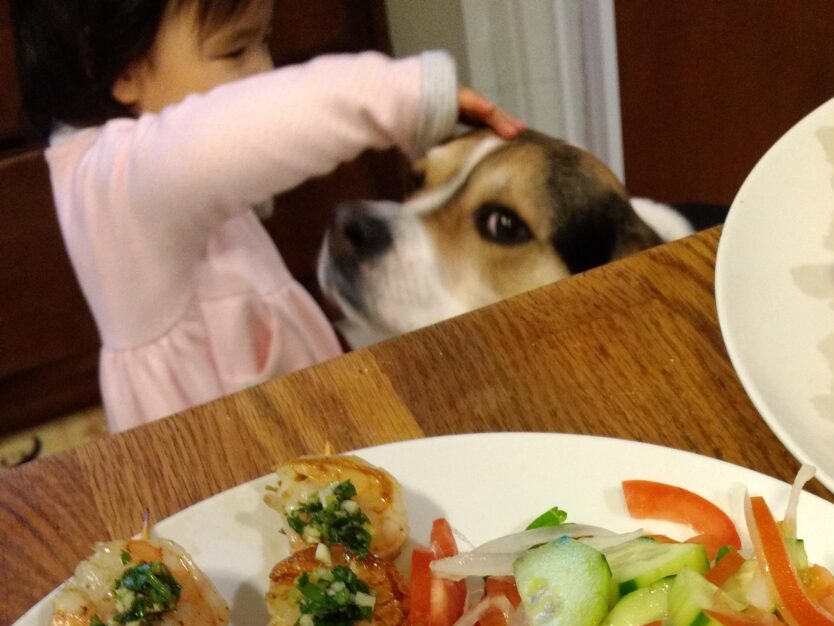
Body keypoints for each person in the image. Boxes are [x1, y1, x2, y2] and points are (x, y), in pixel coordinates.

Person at [11, 0, 523, 433]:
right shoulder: (116, 183)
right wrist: (407, 95)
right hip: (219, 450)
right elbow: (237, 129)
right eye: (236, 50)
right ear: (120, 68)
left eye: (264, 41)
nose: (265, 72)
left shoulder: (138, 164)